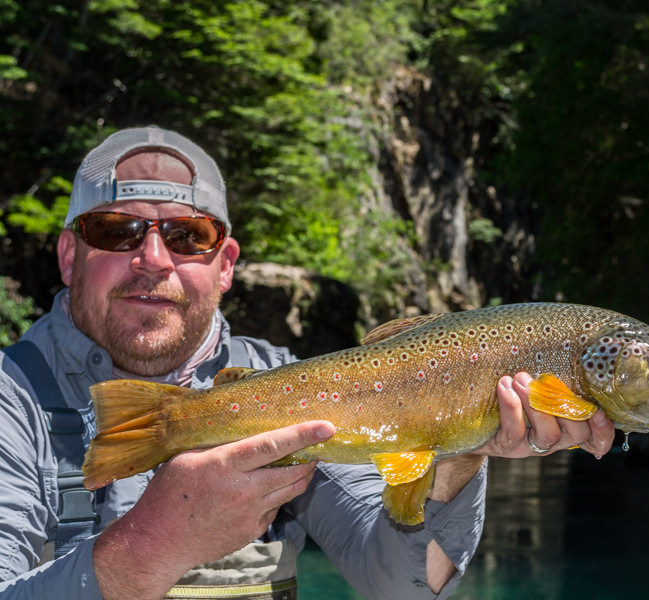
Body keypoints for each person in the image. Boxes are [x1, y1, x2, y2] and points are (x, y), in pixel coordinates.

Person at [0, 127, 615, 599]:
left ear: (227, 263)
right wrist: (153, 544)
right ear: (68, 256)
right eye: (116, 231)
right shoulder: (13, 400)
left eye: (188, 236)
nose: (154, 258)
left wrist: (457, 448)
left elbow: (399, 584)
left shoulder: (299, 388)